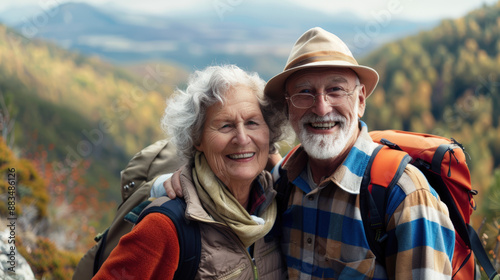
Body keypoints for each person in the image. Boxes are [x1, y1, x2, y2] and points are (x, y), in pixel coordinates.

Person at [162, 28, 456, 279]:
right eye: (304, 92)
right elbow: (227, 183)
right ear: (288, 108)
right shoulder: (282, 183)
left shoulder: (403, 197)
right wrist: (179, 181)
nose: (321, 107)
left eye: (336, 90)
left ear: (361, 100)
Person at [93, 65, 288, 279]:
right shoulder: (164, 226)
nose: (242, 138)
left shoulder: (277, 204)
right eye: (225, 126)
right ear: (197, 139)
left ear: (269, 132)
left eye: (252, 123)